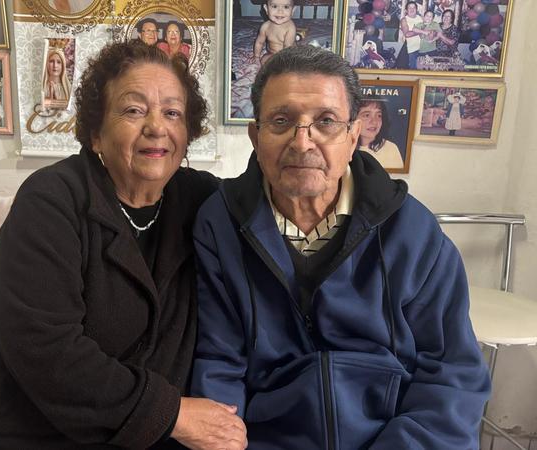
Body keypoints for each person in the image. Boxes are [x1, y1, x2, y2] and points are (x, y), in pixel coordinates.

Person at [0, 41, 247, 450]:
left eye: (172, 113)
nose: (156, 127)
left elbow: (271, 194)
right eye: (133, 110)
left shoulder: (198, 199)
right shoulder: (52, 200)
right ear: (95, 134)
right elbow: (46, 351)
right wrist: (173, 414)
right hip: (26, 435)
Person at [191, 45, 490, 449]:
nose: (302, 142)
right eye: (281, 121)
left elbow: (452, 376)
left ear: (352, 137)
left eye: (326, 122)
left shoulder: (412, 231)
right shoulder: (220, 224)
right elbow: (219, 364)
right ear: (255, 137)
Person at [357, 98, 403, 169]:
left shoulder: (391, 148)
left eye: (379, 115)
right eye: (367, 115)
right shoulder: (344, 145)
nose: (374, 121)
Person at [252, 0, 296, 65]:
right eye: (274, 6)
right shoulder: (265, 26)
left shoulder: (290, 27)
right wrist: (256, 56)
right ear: (266, 9)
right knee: (264, 60)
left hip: (288, 54)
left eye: (286, 7)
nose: (280, 11)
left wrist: (284, 62)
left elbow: (288, 47)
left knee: (295, 61)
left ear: (293, 10)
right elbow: (259, 42)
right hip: (272, 53)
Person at [399, 1, 423, 69]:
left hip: (423, 49)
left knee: (423, 69)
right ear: (406, 10)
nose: (412, 9)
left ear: (416, 9)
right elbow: (407, 34)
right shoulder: (404, 19)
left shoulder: (421, 18)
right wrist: (420, 31)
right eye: (410, 8)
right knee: (413, 69)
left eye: (414, 7)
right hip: (412, 50)